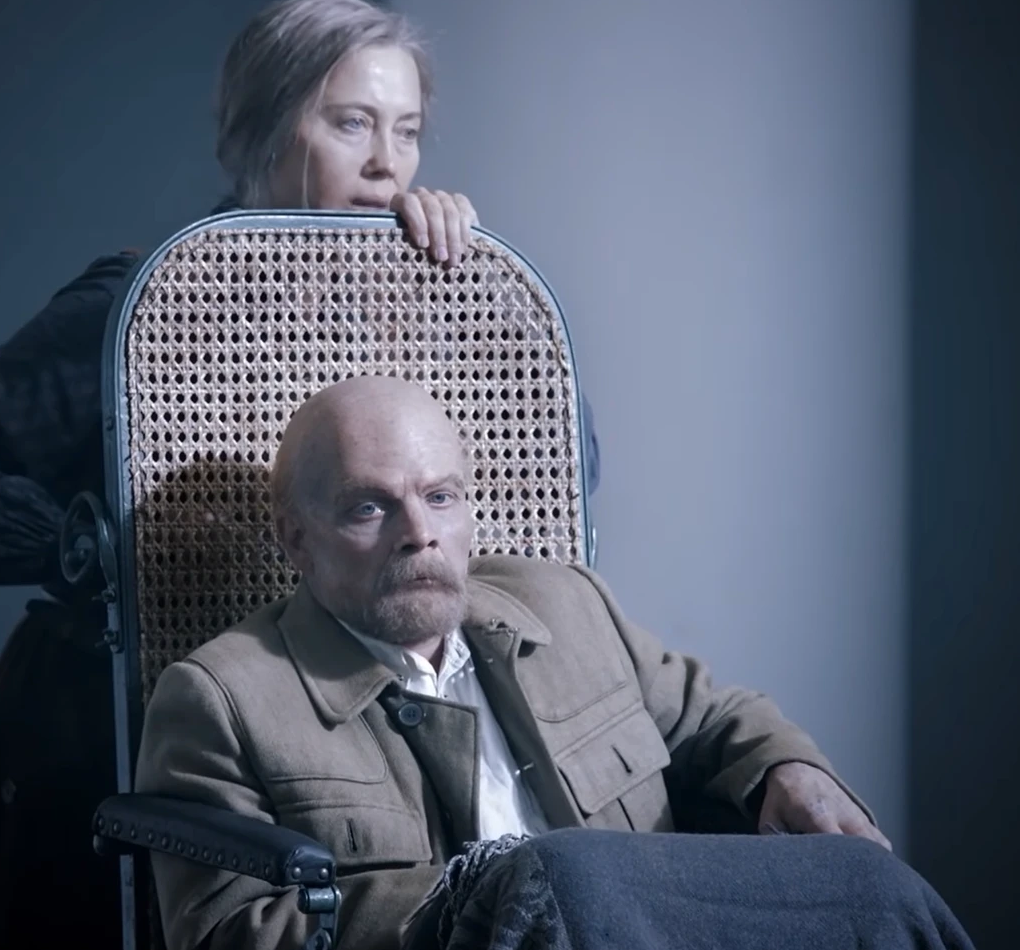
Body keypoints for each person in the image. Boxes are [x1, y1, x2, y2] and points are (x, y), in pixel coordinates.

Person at [0, 0, 598, 949]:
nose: (387, 163)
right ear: (266, 127)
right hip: (106, 734)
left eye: (408, 131)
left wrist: (470, 297)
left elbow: (560, 472)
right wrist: (110, 553)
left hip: (316, 735)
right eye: (352, 124)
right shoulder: (146, 305)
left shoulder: (424, 305)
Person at [135, 375, 973, 950]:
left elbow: (711, 716)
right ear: (296, 538)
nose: (419, 533)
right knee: (560, 873)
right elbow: (224, 931)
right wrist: (476, 893)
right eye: (368, 507)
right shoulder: (222, 698)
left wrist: (786, 767)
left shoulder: (564, 602)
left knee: (871, 888)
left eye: (440, 496)